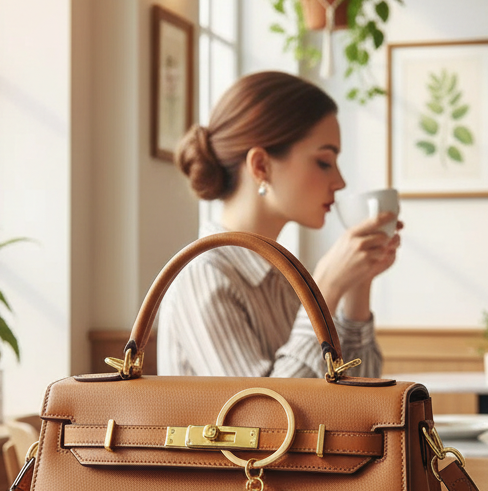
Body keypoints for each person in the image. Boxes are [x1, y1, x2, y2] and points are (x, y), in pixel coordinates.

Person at [157, 71, 401, 378]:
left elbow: (359, 402)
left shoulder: (283, 276)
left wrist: (357, 284)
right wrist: (324, 289)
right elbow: (263, 417)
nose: (339, 182)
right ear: (261, 166)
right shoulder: (204, 275)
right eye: (324, 162)